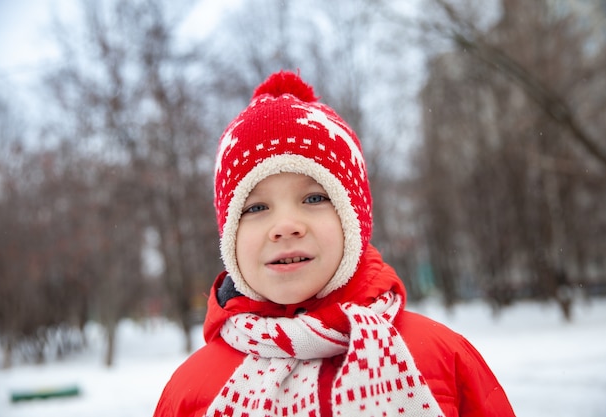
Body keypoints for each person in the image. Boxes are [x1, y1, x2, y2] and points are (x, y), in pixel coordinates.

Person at [153, 71, 515, 417]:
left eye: (313, 199)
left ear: (354, 220)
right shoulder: (190, 392)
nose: (285, 227)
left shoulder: (441, 358)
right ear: (229, 236)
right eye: (256, 207)